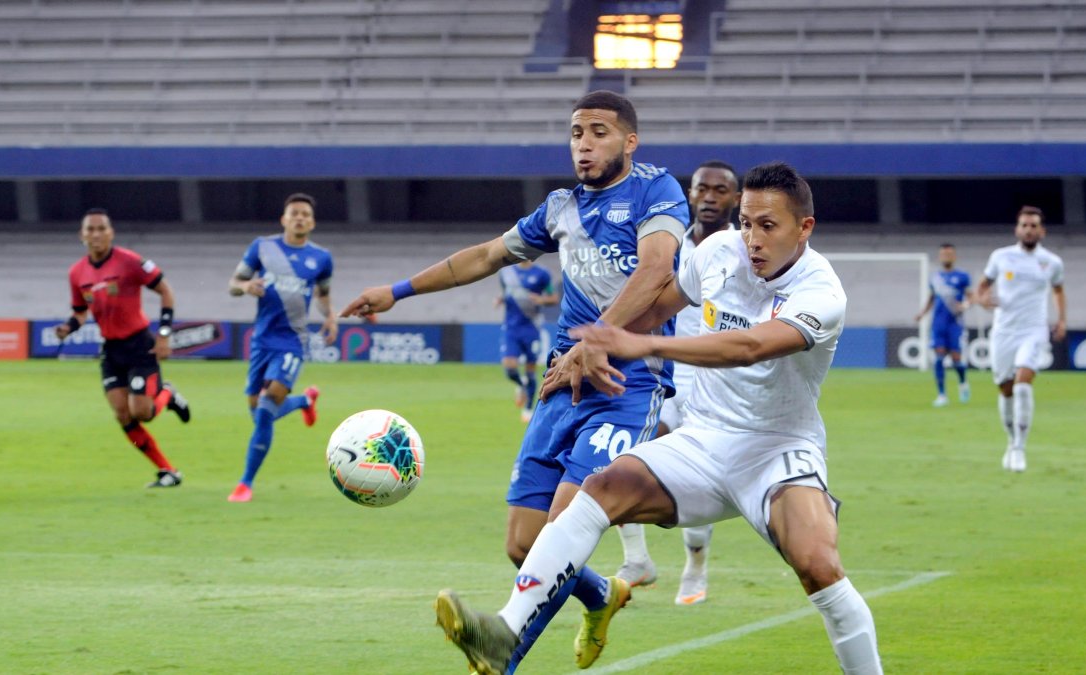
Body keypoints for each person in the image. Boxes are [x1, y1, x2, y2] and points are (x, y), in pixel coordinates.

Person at [432, 162, 884, 675]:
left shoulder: (822, 292)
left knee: (817, 566)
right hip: (703, 440)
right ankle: (504, 633)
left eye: (768, 226)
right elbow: (656, 307)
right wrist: (594, 347)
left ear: (805, 228)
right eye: (746, 222)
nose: (752, 239)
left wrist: (639, 344)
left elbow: (751, 346)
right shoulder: (718, 252)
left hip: (777, 448)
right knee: (599, 489)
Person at [342, 91, 689, 673]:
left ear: (630, 141)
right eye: (576, 132)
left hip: (626, 387)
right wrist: (397, 291)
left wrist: (593, 340)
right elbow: (483, 256)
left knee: (563, 527)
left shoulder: (657, 189)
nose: (584, 143)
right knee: (524, 546)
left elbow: (658, 270)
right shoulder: (559, 208)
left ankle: (501, 653)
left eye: (599, 132)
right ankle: (603, 597)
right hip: (562, 384)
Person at [614, 159, 740, 606]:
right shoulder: (668, 247)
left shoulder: (744, 250)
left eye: (720, 190)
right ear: (689, 194)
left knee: (699, 480)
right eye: (701, 188)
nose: (709, 196)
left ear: (736, 198)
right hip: (665, 377)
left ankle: (697, 562)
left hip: (719, 383)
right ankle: (637, 559)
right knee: (623, 460)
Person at [55, 208, 191, 488]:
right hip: (111, 350)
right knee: (122, 413)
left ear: (110, 233)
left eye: (101, 228)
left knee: (142, 412)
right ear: (82, 235)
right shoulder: (76, 273)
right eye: (90, 229)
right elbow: (80, 311)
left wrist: (164, 334)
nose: (96, 234)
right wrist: (69, 327)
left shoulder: (130, 262)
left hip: (139, 345)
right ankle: (168, 472)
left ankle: (168, 394)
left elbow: (166, 290)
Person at [227, 192, 337, 503]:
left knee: (264, 412)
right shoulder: (262, 247)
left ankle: (245, 484)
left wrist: (330, 317)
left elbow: (323, 293)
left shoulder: (322, 258)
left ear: (312, 222)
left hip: (293, 341)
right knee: (259, 411)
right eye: (294, 213)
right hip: (262, 340)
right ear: (284, 219)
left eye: (305, 214)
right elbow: (233, 283)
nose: (300, 217)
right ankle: (304, 401)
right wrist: (246, 285)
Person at [976, 206, 1066, 473]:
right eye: (1024, 225)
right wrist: (982, 299)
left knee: (1024, 382)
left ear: (1042, 231)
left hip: (1033, 330)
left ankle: (1019, 448)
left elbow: (1059, 290)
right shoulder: (1001, 257)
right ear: (1017, 229)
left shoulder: (1052, 262)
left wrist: (1061, 319)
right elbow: (983, 285)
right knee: (1006, 389)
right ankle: (1011, 440)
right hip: (1004, 331)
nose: (1028, 229)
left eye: (1033, 225)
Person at [496, 261, 557, 423]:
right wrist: (501, 299)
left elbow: (553, 297)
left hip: (531, 328)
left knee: (530, 370)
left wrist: (541, 300)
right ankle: (521, 384)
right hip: (511, 328)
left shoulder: (542, 274)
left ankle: (528, 407)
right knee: (510, 368)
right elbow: (506, 292)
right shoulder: (506, 273)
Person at [914, 244, 973, 407]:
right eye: (943, 254)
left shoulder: (962, 277)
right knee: (939, 358)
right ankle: (942, 395)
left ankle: (963, 383)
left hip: (955, 324)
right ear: (940, 257)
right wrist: (922, 313)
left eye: (949, 254)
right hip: (938, 323)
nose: (946, 257)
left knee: (956, 359)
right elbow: (932, 298)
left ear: (954, 256)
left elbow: (971, 297)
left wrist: (965, 305)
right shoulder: (935, 277)